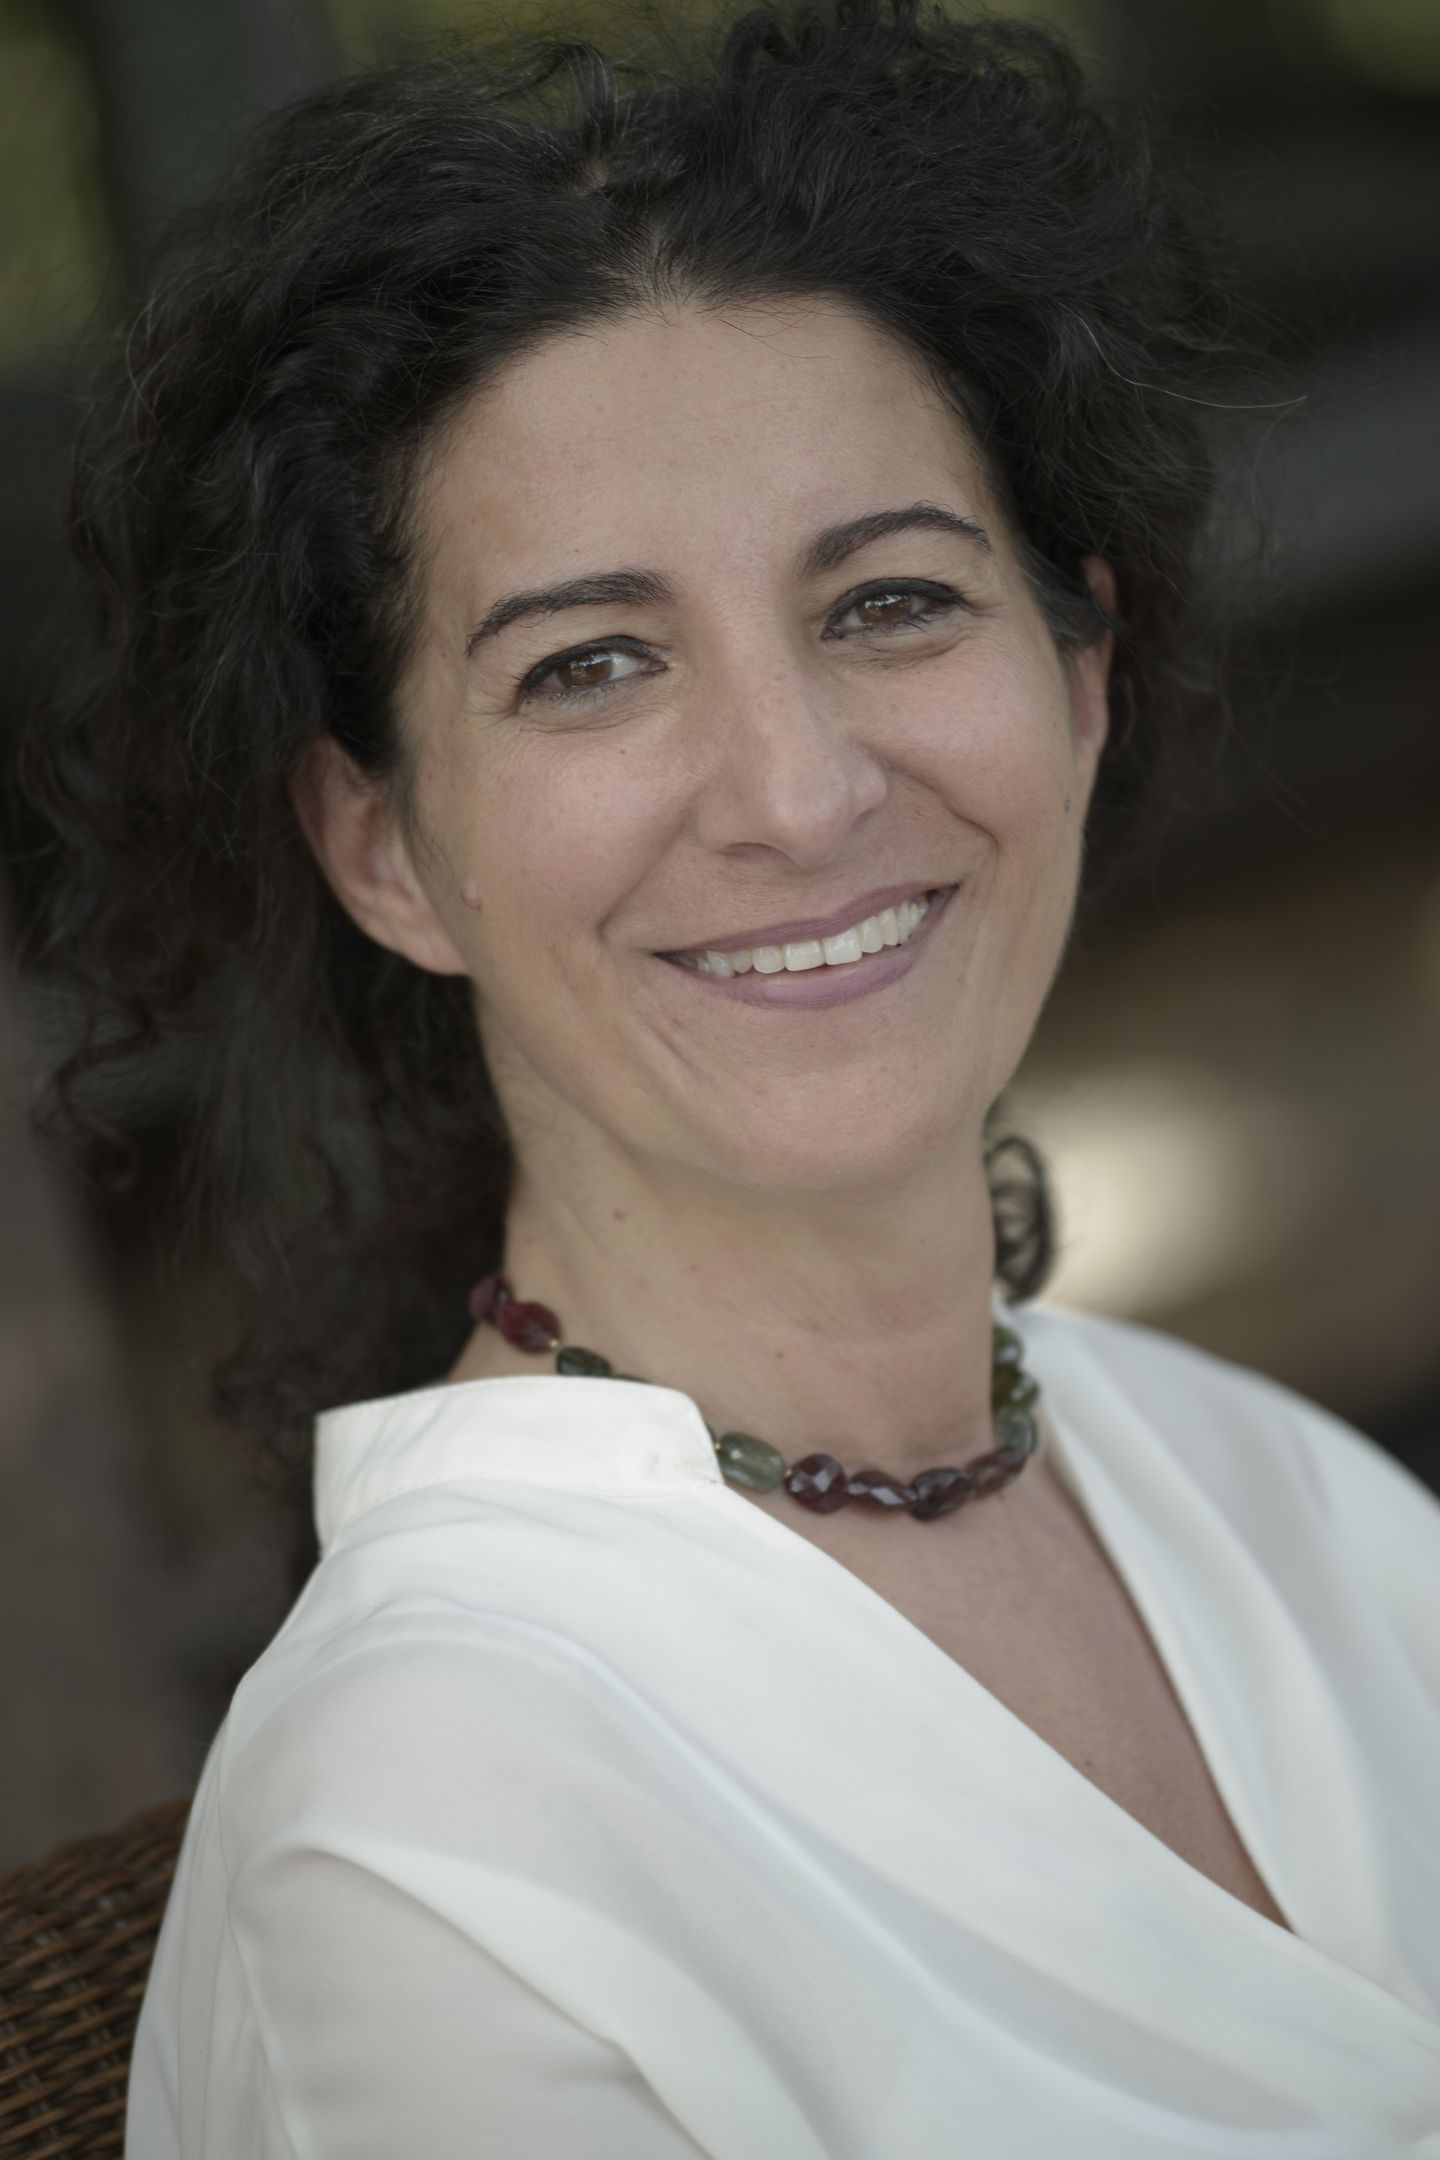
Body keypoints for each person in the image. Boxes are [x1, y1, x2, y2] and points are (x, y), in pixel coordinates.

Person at [11, 0, 1439, 2151]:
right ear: (380, 846)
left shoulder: (1277, 1492)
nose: (795, 789)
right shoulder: (427, 1860)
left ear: (1080, 680)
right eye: (592, 665)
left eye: (890, 603)